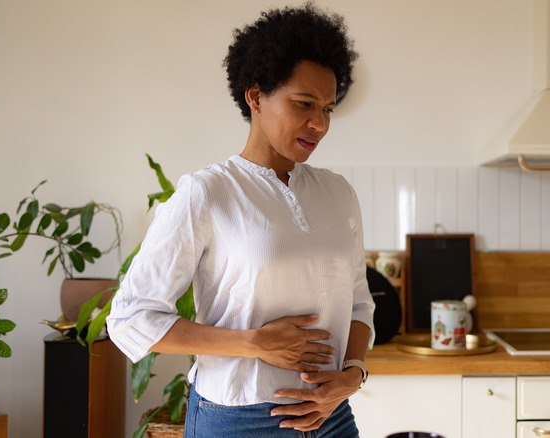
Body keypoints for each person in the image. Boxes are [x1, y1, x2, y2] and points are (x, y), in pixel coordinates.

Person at [106, 3, 375, 437]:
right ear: (255, 97)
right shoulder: (207, 192)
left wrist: (353, 374)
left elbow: (359, 302)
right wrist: (253, 343)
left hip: (332, 417)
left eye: (327, 108)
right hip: (239, 418)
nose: (319, 123)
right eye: (304, 103)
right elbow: (132, 318)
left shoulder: (338, 193)